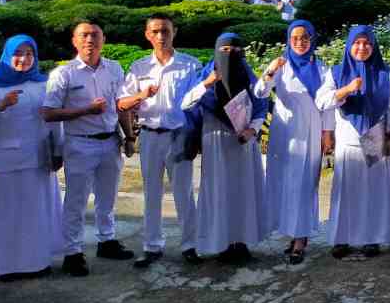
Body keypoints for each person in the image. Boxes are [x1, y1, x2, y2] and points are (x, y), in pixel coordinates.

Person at [42, 22, 134, 277]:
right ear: (74, 40)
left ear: (103, 39)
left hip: (110, 141)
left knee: (108, 196)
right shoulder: (63, 74)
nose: (90, 40)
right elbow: (48, 113)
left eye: (95, 35)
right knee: (76, 200)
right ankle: (72, 252)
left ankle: (107, 240)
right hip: (80, 142)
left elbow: (120, 106)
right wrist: (85, 111)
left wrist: (129, 136)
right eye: (84, 35)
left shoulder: (113, 68)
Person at [117, 14, 203, 268]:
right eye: (155, 31)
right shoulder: (139, 68)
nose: (160, 36)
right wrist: (141, 96)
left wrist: (196, 139)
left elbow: (198, 105)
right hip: (151, 135)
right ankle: (152, 246)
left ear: (174, 32)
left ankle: (190, 245)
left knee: (184, 193)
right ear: (147, 35)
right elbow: (122, 103)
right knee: (151, 193)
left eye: (165, 31)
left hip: (180, 136)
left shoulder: (190, 65)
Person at [0, 36, 62, 282]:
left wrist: (58, 151)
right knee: (8, 215)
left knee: (37, 213)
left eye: (29, 53)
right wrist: (0, 106)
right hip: (8, 163)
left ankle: (38, 263)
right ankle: (8, 266)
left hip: (40, 161)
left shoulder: (44, 84)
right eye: (18, 53)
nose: (23, 59)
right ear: (7, 55)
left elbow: (54, 121)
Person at [180, 33, 268, 262]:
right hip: (216, 139)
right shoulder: (205, 76)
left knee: (243, 191)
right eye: (225, 50)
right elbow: (186, 103)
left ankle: (242, 241)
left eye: (236, 50)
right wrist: (208, 82)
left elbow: (261, 106)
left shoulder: (249, 77)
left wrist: (252, 130)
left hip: (243, 142)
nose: (231, 54)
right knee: (220, 190)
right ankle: (222, 242)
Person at [316, 25, 390, 258]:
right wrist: (346, 90)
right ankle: (342, 238)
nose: (362, 47)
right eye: (357, 43)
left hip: (375, 139)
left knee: (374, 190)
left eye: (367, 43)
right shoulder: (336, 73)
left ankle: (371, 238)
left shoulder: (385, 73)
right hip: (348, 140)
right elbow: (322, 102)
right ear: (349, 45)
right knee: (346, 191)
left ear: (373, 47)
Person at [255, 20, 332, 265]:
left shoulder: (320, 68)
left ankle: (301, 238)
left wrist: (327, 133)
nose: (300, 42)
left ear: (312, 39)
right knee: (284, 182)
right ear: (289, 40)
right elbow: (260, 92)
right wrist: (269, 73)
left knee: (304, 184)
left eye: (305, 37)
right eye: (295, 38)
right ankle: (290, 230)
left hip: (310, 131)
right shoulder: (281, 65)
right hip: (283, 132)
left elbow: (327, 104)